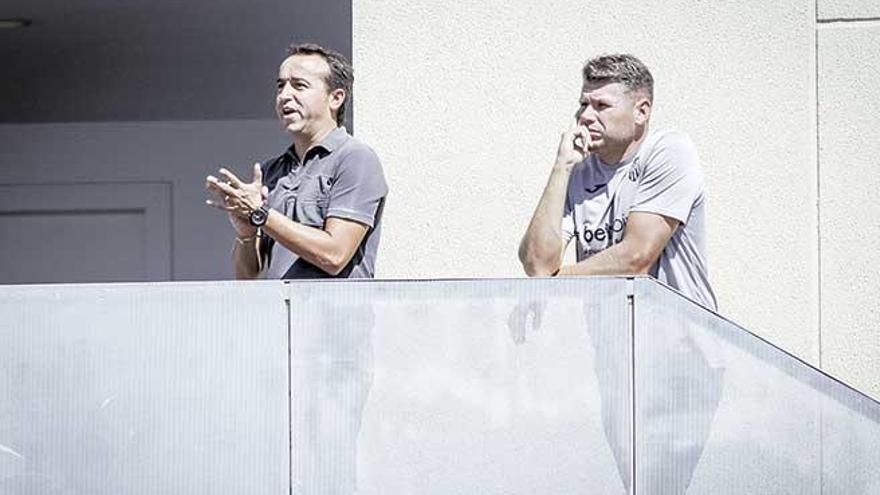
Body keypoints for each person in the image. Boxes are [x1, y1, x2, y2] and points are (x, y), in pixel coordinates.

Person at [518, 54, 716, 309]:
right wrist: (561, 166)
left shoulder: (668, 151)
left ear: (641, 112)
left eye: (601, 105)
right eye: (583, 104)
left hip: (680, 339)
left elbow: (635, 257)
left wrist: (554, 282)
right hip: (612, 340)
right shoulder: (578, 170)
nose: (586, 116)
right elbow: (537, 264)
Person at [206, 43, 387, 279]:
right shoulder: (273, 170)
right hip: (282, 314)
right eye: (280, 86)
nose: (284, 95)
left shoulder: (355, 158)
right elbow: (247, 276)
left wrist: (261, 214)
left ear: (336, 98)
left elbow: (335, 256)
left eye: (299, 86)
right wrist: (247, 232)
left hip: (337, 315)